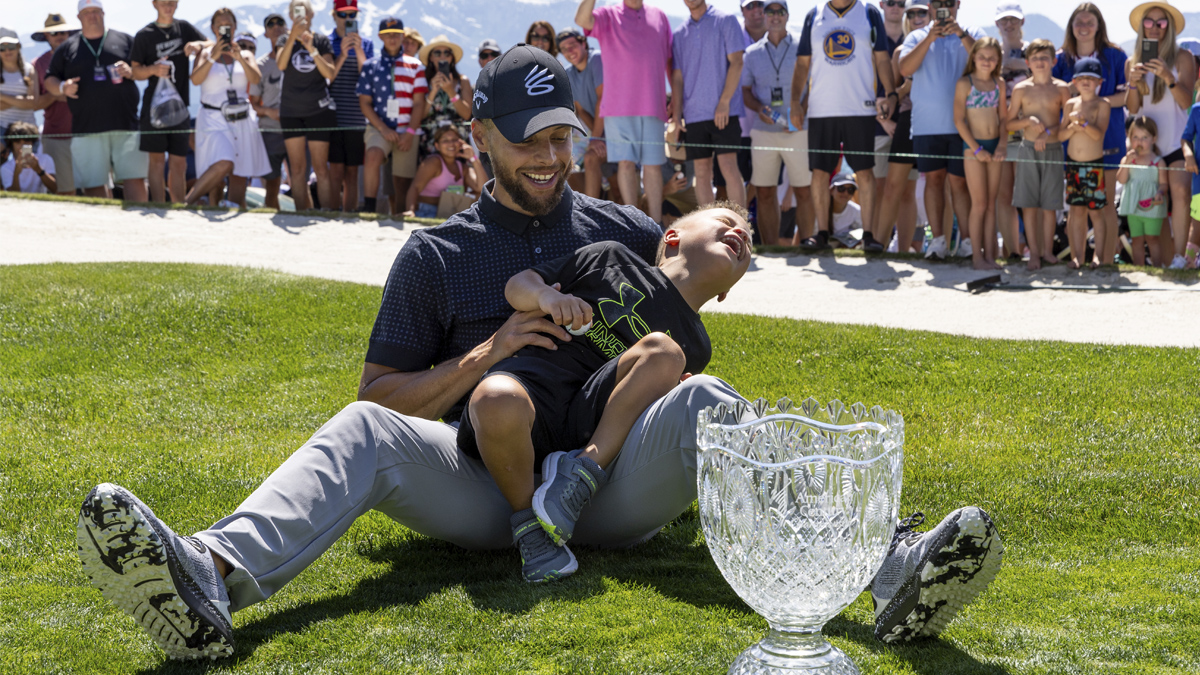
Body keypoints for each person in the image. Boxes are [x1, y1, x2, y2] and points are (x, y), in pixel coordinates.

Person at [75, 44, 1001, 661]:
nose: (554, 157)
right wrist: (488, 354)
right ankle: (208, 577)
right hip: (486, 485)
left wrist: (717, 250)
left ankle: (883, 567)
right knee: (360, 427)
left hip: (610, 482)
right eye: (533, 142)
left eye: (566, 136)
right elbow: (385, 393)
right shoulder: (435, 254)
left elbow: (671, 317)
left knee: (709, 398)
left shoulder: (622, 226)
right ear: (479, 140)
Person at [458, 203, 752, 581]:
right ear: (673, 238)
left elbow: (643, 413)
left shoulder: (696, 345)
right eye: (727, 223)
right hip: (531, 389)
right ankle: (529, 528)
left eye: (748, 240)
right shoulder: (610, 256)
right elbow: (519, 285)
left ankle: (580, 475)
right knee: (495, 398)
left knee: (664, 352)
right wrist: (547, 298)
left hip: (593, 426)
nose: (741, 233)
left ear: (727, 291)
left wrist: (666, 395)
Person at [792, 0, 896, 251]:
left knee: (865, 171)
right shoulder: (813, 15)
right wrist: (795, 101)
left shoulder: (869, 12)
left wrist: (891, 93)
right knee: (819, 172)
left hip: (860, 107)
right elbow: (803, 63)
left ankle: (869, 236)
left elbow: (882, 58)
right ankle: (822, 234)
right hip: (821, 108)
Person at [899, 0, 984, 260]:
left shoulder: (972, 32)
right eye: (938, 3)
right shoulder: (917, 36)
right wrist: (930, 38)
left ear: (958, 4)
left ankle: (968, 242)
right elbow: (905, 69)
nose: (943, 7)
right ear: (930, 6)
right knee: (933, 182)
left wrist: (960, 34)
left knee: (960, 184)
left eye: (948, 2)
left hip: (965, 125)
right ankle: (937, 242)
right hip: (927, 125)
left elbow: (985, 61)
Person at [576, 0, 673, 224]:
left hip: (654, 103)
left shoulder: (660, 16)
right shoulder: (608, 15)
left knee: (653, 167)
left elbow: (668, 60)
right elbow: (582, 20)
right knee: (626, 164)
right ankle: (636, 225)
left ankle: (656, 227)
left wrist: (675, 100)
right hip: (618, 106)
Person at [44, 0, 149, 202]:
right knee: (92, 184)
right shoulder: (67, 48)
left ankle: (140, 226)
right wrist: (62, 87)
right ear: (79, 17)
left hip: (126, 124)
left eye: (96, 11)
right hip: (86, 127)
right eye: (87, 12)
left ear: (103, 13)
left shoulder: (126, 40)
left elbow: (145, 70)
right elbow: (50, 79)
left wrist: (132, 72)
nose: (92, 16)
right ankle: (102, 228)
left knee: (134, 178)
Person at [1053, 3, 1128, 268]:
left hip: (1109, 136)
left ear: (1099, 26)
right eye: (1078, 22)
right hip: (1073, 143)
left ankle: (1105, 258)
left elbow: (1126, 96)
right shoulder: (1060, 58)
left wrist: (1092, 104)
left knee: (1105, 203)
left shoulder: (1116, 56)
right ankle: (1077, 257)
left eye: (1089, 22)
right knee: (1076, 207)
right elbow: (1053, 95)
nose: (1083, 27)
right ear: (1071, 27)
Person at [1126, 2, 1196, 270]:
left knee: (1180, 192)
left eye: (1162, 23)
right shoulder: (1132, 61)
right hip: (1148, 145)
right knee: (1157, 200)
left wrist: (1168, 77)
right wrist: (1133, 81)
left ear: (1170, 27)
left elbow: (1187, 102)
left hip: (1177, 141)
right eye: (1149, 22)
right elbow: (1132, 109)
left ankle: (1180, 256)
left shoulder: (1183, 57)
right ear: (1141, 27)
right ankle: (1167, 261)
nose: (1154, 28)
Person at [740, 0, 812, 245]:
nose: (775, 16)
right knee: (764, 191)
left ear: (788, 15)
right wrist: (759, 108)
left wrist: (802, 108)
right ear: (763, 14)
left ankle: (806, 245)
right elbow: (746, 91)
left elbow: (812, 84)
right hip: (764, 130)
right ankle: (772, 251)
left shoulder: (803, 45)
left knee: (804, 190)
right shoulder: (751, 54)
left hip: (799, 128)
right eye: (770, 11)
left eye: (780, 11)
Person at [184, 8, 269, 208]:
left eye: (228, 25)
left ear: (235, 27)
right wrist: (213, 56)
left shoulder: (246, 54)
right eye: (220, 25)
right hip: (213, 118)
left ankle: (229, 212)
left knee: (240, 173)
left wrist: (239, 58)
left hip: (241, 118)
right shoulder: (205, 53)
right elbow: (195, 79)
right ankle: (188, 201)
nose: (225, 28)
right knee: (223, 162)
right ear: (213, 28)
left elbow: (255, 79)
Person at [672, 0, 747, 209]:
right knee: (701, 172)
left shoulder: (726, 20)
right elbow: (677, 78)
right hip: (694, 115)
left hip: (725, 111)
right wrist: (677, 117)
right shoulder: (678, 34)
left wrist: (724, 102)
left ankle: (742, 229)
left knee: (729, 168)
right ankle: (709, 229)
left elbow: (737, 62)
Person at [130, 0, 207, 204]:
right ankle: (158, 204)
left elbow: (211, 43)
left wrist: (199, 45)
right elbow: (134, 71)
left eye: (172, 2)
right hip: (153, 108)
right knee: (156, 161)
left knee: (179, 162)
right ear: (154, 4)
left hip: (180, 106)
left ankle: (179, 205)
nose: (168, 5)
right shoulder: (144, 34)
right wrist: (152, 70)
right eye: (164, 2)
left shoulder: (184, 28)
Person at [1008, 39, 1070, 271]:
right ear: (1027, 63)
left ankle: (1046, 251)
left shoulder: (1062, 88)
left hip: (1053, 150)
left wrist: (1049, 132)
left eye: (1045, 58)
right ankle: (1033, 253)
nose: (1040, 62)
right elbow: (1008, 123)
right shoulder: (1021, 89)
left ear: (1054, 61)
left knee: (1050, 205)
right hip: (1028, 150)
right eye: (1035, 58)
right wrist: (1027, 121)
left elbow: (1068, 122)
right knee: (1029, 205)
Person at [356, 16, 427, 216]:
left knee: (402, 181)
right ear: (380, 37)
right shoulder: (371, 66)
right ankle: (369, 208)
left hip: (407, 128)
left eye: (396, 34)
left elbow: (419, 102)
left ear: (402, 36)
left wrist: (410, 132)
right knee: (372, 157)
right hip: (379, 126)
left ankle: (400, 215)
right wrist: (383, 129)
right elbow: (365, 102)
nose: (393, 39)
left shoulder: (415, 66)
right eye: (388, 35)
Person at [876, 0, 925, 254]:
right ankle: (878, 246)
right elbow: (894, 91)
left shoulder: (947, 44)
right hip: (906, 121)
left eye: (923, 12)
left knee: (920, 189)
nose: (917, 16)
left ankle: (906, 250)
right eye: (913, 12)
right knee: (892, 187)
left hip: (937, 123)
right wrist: (885, 117)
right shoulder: (900, 50)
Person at [278, 0, 336, 211]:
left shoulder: (321, 41)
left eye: (304, 10)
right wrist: (293, 37)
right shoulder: (284, 39)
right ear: (291, 16)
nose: (301, 15)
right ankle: (303, 211)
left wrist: (311, 48)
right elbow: (281, 65)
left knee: (321, 168)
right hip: (291, 111)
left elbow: (329, 73)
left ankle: (327, 212)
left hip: (318, 111)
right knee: (297, 168)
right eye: (296, 11)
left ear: (311, 14)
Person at [953, 37, 1006, 270]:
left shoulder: (999, 83)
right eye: (982, 56)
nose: (987, 61)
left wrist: (1002, 144)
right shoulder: (965, 83)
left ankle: (990, 256)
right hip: (973, 149)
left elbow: (1003, 119)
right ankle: (977, 256)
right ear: (973, 57)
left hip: (995, 146)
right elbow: (958, 120)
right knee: (979, 204)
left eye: (992, 58)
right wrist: (975, 148)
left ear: (997, 61)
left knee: (991, 203)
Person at [1058, 57, 1110, 269]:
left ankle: (1098, 255)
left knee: (1096, 212)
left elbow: (1098, 135)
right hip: (1073, 165)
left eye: (1091, 78)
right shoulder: (1070, 103)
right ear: (1074, 82)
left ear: (1100, 82)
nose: (1086, 82)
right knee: (1075, 211)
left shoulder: (1102, 104)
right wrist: (1072, 127)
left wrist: (1083, 123)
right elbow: (1061, 135)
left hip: (1094, 165)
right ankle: (1076, 257)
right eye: (1082, 78)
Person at [327, 0, 373, 212]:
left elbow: (369, 76)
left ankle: (349, 215)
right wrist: (343, 54)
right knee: (335, 169)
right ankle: (334, 212)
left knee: (352, 171)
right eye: (343, 15)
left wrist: (359, 51)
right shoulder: (326, 42)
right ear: (334, 16)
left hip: (356, 117)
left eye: (352, 15)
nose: (347, 20)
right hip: (333, 115)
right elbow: (327, 78)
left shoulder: (368, 44)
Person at [30, 14, 79, 196]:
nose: (60, 35)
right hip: (55, 136)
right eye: (54, 32)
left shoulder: (81, 57)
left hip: (86, 132)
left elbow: (88, 95)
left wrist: (52, 92)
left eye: (63, 31)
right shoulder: (37, 64)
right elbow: (35, 103)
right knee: (65, 192)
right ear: (46, 37)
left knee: (95, 187)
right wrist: (62, 91)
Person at [994, 2, 1028, 259]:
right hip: (997, 130)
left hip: (1027, 130)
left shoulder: (1034, 51)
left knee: (1025, 194)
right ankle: (1011, 250)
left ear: (1022, 22)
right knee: (1003, 194)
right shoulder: (989, 52)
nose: (1008, 24)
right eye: (1004, 20)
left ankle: (1031, 249)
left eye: (1013, 20)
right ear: (996, 24)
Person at [558, 28, 605, 199]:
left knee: (593, 160)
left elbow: (603, 99)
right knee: (565, 163)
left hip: (616, 130)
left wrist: (598, 139)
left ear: (584, 43)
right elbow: (581, 111)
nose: (569, 51)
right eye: (564, 49)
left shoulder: (597, 59)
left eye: (573, 45)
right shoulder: (569, 73)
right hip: (597, 133)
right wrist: (597, 140)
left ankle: (591, 213)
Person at [249, 13, 288, 210]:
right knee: (272, 184)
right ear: (265, 33)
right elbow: (253, 102)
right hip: (270, 129)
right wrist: (269, 112)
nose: (276, 26)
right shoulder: (261, 65)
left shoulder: (298, 59)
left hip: (297, 129)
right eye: (270, 24)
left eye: (280, 22)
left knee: (299, 180)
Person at [1117, 115, 1167, 267]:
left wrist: (1160, 192)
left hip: (1153, 206)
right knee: (1137, 239)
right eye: (1136, 137)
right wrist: (1126, 162)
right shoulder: (1128, 160)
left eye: (1145, 137)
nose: (1140, 141)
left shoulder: (1158, 161)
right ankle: (1139, 268)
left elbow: (1164, 184)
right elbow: (1121, 179)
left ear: (1154, 139)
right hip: (1133, 207)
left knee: (1152, 238)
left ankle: (1157, 267)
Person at [406, 125, 486, 218]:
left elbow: (481, 190)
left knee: (478, 195)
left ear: (460, 143)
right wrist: (410, 211)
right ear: (437, 146)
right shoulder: (433, 162)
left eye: (454, 140)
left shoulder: (462, 167)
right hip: (428, 210)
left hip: (453, 211)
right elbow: (415, 187)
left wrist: (473, 158)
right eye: (445, 141)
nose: (451, 144)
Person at [417, 36, 473, 157]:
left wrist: (450, 91)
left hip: (458, 142)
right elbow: (420, 116)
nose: (442, 56)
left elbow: (467, 114)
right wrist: (432, 92)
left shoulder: (462, 81)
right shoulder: (423, 81)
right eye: (437, 53)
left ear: (451, 57)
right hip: (432, 142)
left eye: (446, 53)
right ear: (431, 58)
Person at [0, 28, 41, 152]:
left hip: (27, 132)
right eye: (2, 48)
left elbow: (33, 103)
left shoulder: (30, 70)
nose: (7, 51)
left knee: (27, 167)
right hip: (2, 130)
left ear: (18, 47)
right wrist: (22, 100)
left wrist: (2, 96)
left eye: (11, 47)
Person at [2, 121, 57, 193]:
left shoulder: (46, 159)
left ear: (32, 142)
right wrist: (16, 173)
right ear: (11, 144)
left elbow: (54, 189)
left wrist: (39, 170)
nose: (22, 145)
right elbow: (13, 196)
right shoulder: (5, 168)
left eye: (27, 141)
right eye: (18, 142)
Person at [823, 170, 864, 248]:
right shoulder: (820, 210)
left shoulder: (857, 211)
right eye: (841, 188)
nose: (845, 193)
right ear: (831, 190)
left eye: (850, 190)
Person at [1181, 96, 1200, 268]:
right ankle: (1190, 263)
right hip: (1199, 180)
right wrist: (1188, 156)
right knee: (1197, 223)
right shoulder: (1196, 110)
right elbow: (1185, 138)